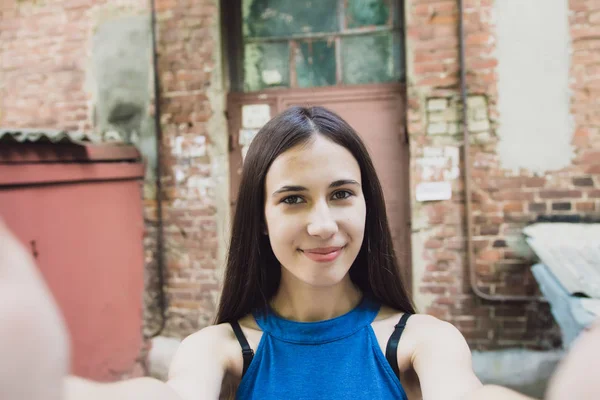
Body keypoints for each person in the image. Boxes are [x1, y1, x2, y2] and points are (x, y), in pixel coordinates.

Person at [0, 106, 572, 400]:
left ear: (367, 204)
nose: (323, 225)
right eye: (294, 199)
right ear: (261, 216)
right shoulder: (220, 351)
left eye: (342, 194)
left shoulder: (422, 341)